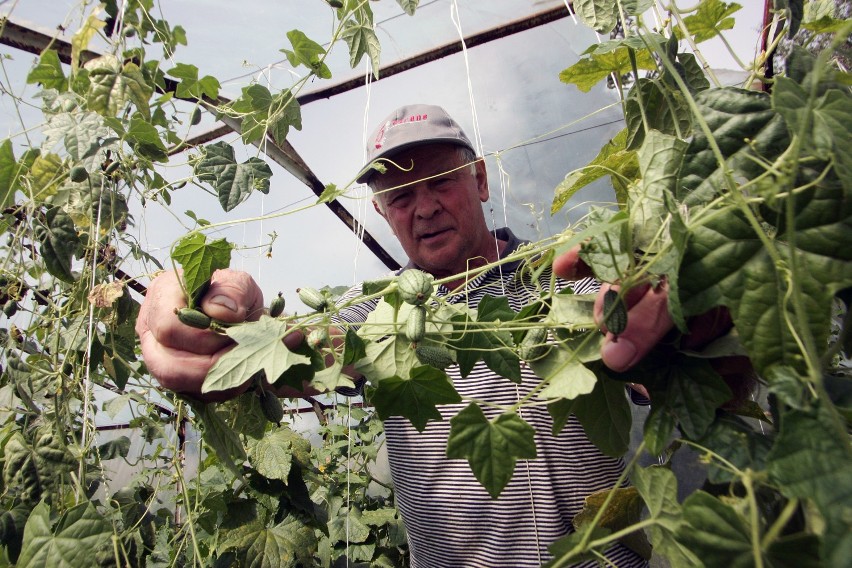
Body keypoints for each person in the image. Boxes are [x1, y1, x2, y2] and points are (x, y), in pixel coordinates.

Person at [136, 104, 697, 566]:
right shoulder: (375, 320)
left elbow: (664, 361)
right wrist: (210, 315)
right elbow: (294, 347)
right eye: (400, 196)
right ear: (383, 212)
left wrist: (681, 321)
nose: (423, 207)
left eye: (439, 182)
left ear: (478, 180)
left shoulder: (564, 282)